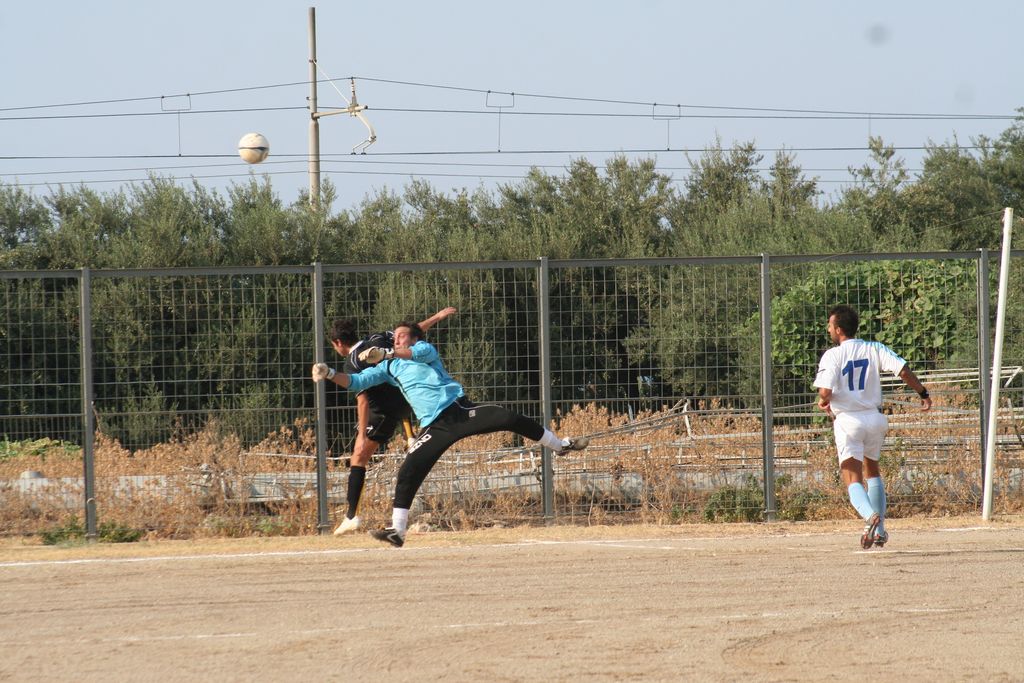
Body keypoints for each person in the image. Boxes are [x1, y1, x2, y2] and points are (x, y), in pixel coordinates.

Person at [312, 320, 589, 547]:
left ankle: (560, 445)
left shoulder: (423, 349)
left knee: (509, 417)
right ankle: (397, 531)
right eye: (394, 337)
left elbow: (412, 354)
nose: (396, 339)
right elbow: (356, 381)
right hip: (435, 426)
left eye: (402, 335)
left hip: (460, 411)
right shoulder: (387, 367)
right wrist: (329, 372)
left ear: (414, 339)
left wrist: (387, 353)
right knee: (408, 471)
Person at [319, 307, 458, 535]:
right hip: (408, 399)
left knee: (358, 457)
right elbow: (411, 333)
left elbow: (362, 400)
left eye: (334, 346)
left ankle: (351, 516)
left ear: (338, 342)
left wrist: (361, 436)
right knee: (398, 393)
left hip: (384, 412)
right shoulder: (379, 338)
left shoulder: (352, 362)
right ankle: (410, 435)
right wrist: (437, 317)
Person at [813, 304, 932, 549]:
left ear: (838, 329)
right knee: (873, 471)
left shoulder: (833, 355)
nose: (828, 329)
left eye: (830, 325)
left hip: (848, 421)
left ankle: (870, 516)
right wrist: (922, 393)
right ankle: (879, 531)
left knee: (852, 477)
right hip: (874, 419)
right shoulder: (874, 348)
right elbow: (903, 371)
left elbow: (824, 391)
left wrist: (825, 400)